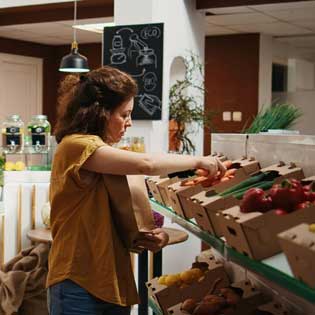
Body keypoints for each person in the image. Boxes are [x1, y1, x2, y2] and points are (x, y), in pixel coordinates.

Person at [47, 66, 226, 315]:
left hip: (112, 281)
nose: (129, 122)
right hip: (78, 282)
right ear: (100, 113)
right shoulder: (75, 146)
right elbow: (147, 164)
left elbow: (108, 219)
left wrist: (149, 236)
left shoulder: (102, 151)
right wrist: (197, 161)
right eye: (125, 114)